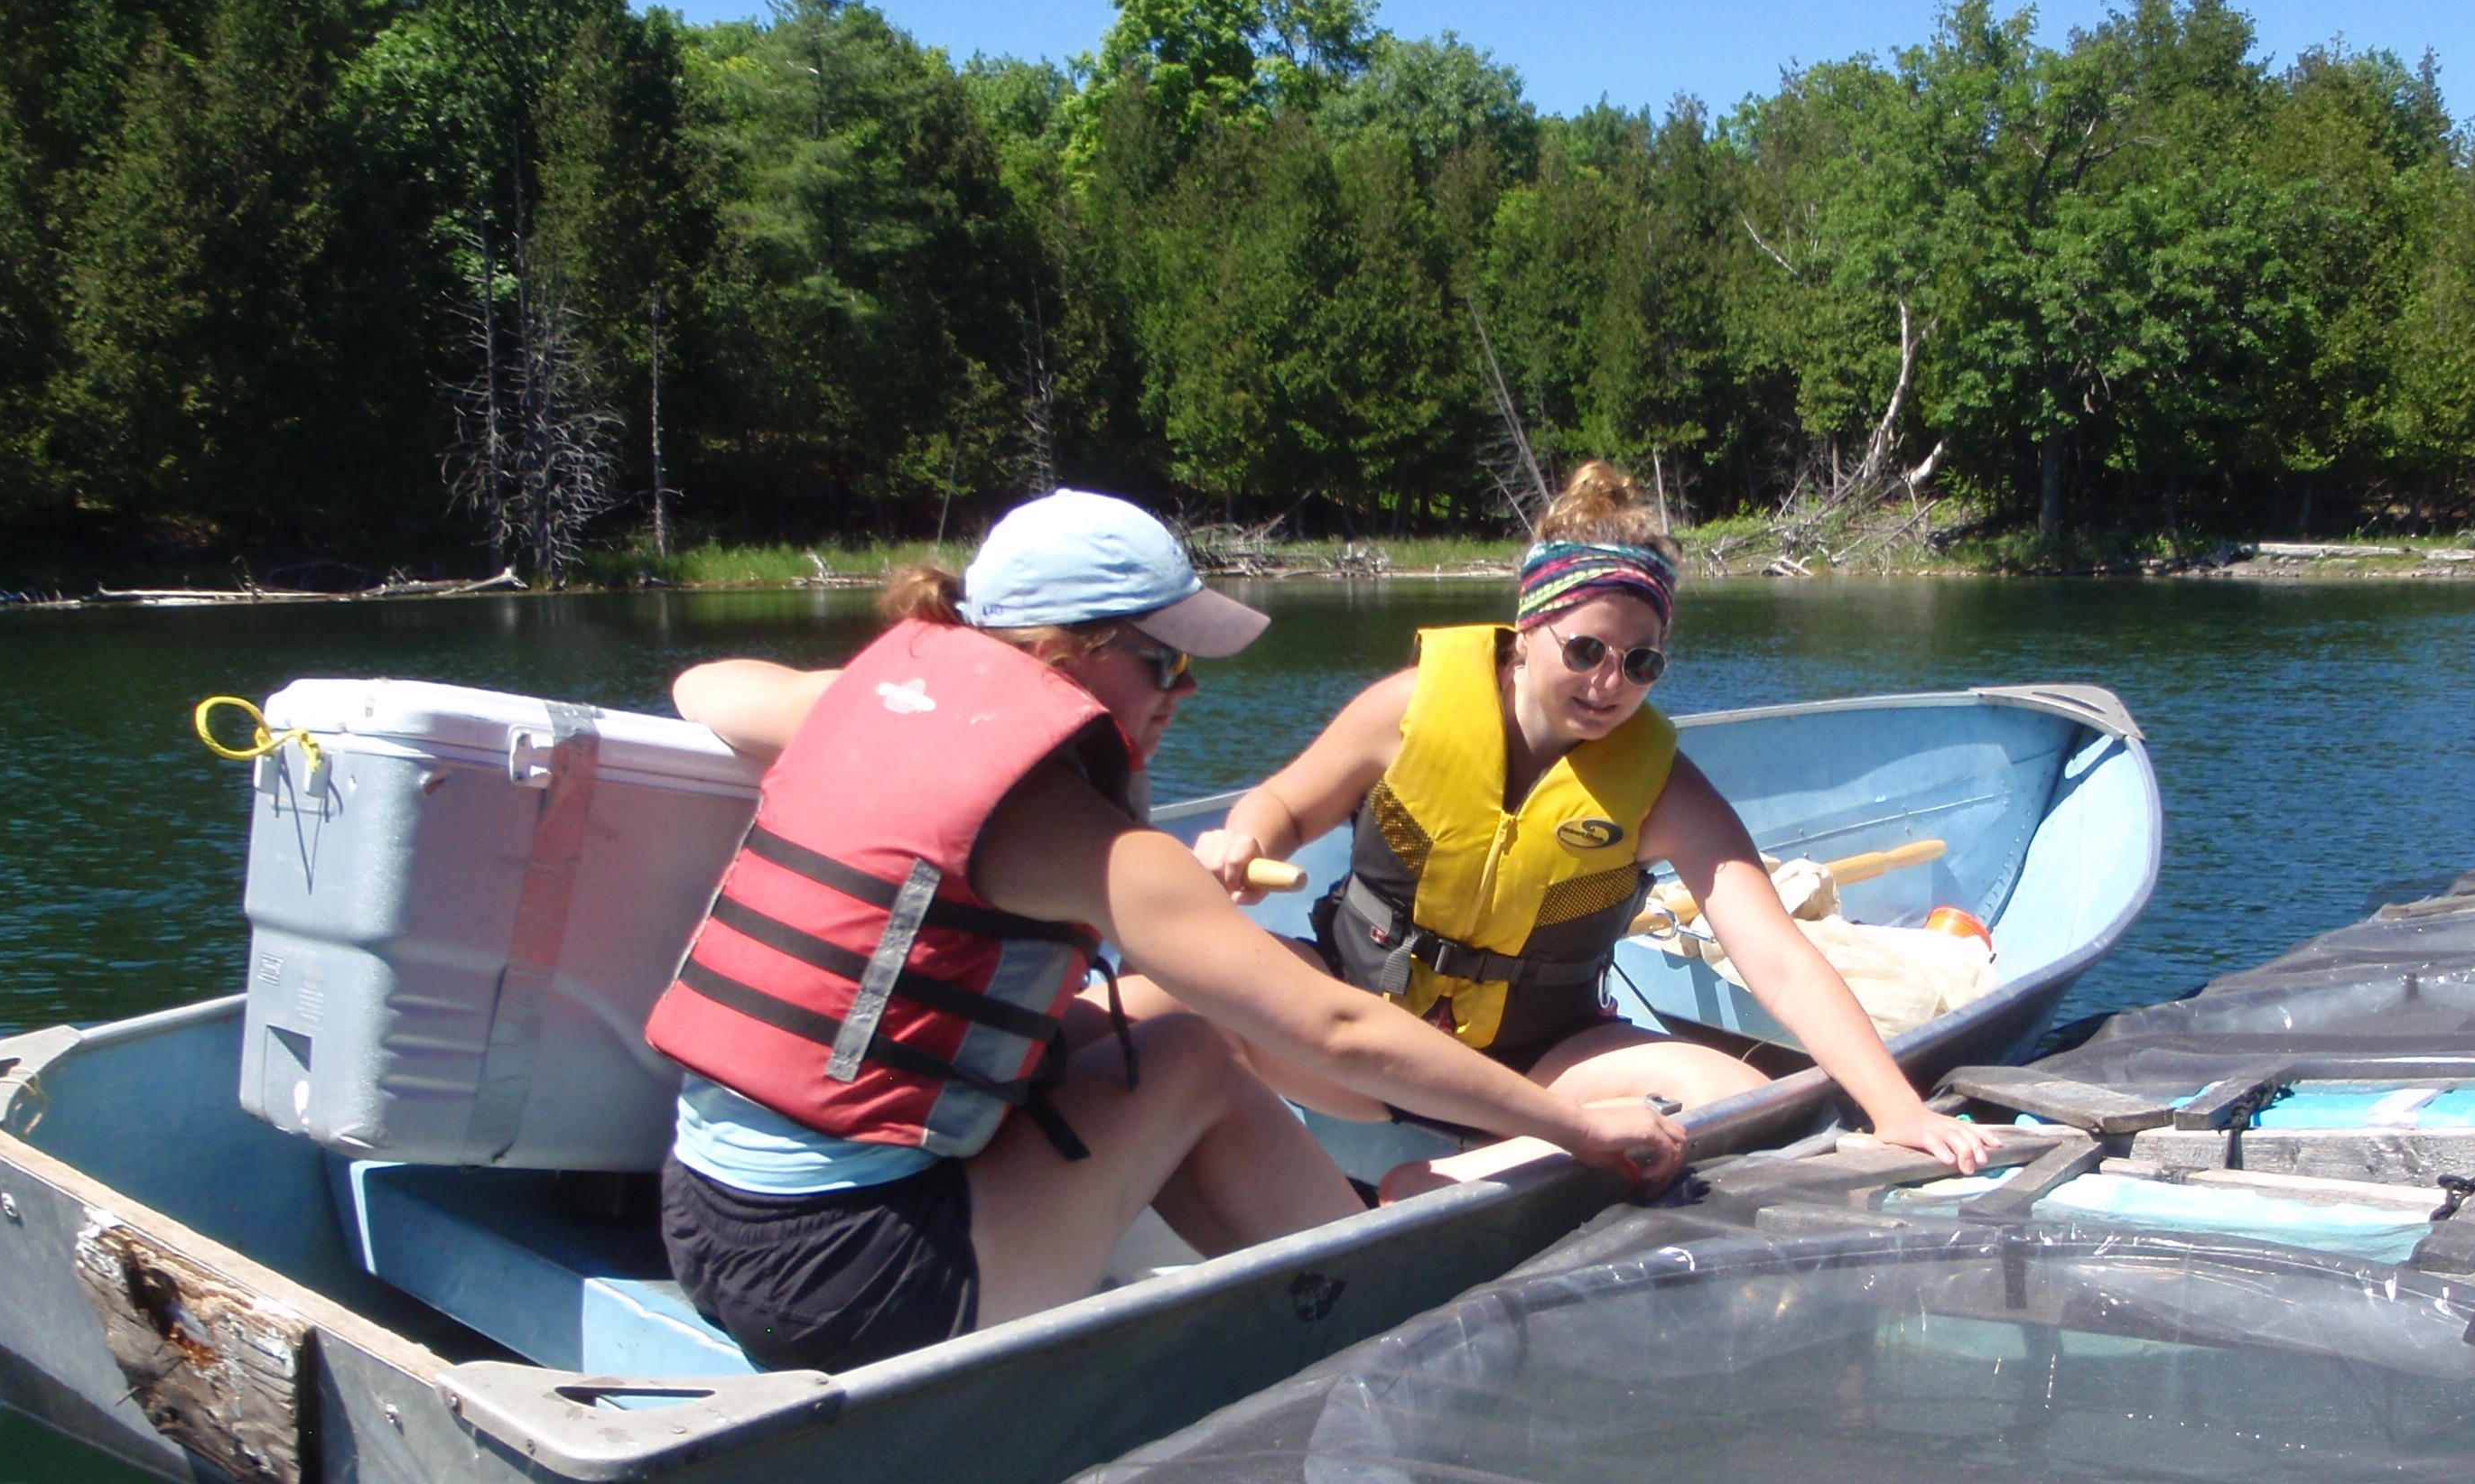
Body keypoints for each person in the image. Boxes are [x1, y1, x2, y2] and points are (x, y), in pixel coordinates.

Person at [643, 489, 1686, 1372]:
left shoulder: (869, 705)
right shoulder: (1075, 834)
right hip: (852, 1283)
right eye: (1163, 663)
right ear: (1061, 651)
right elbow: (1337, 1029)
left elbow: (705, 686)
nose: (1186, 694)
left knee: (1134, 1024)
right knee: (1188, 1055)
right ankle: (1407, 1331)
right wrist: (1580, 1132)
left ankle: (1323, 1266)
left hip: (700, 1215)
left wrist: (853, 697)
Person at [1185, 462, 1987, 1183]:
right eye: (1586, 651)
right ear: (1528, 629)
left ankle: (1437, 1189)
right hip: (1353, 1036)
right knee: (1164, 994)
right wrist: (1245, 837)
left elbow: (1778, 960)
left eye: (1642, 664)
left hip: (1535, 1074)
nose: (1610, 683)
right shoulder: (1406, 712)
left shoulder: (1664, 789)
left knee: (1737, 1099)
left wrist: (1897, 1111)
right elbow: (1284, 806)